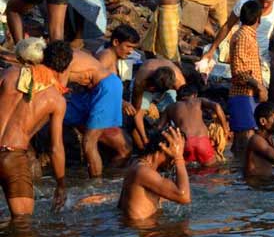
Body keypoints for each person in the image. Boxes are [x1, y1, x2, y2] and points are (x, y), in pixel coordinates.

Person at [0, 39, 71, 216]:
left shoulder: (9, 74)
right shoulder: (56, 99)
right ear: (65, 68)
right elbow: (55, 148)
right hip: (12, 158)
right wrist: (61, 184)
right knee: (23, 225)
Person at [201, 0, 274, 87]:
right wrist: (212, 49)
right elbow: (228, 26)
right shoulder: (244, 4)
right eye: (262, 1)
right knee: (207, 54)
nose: (265, 5)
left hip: (260, 56)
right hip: (238, 49)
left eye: (268, 2)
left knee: (261, 83)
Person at [63, 47, 132, 177]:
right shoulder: (98, 55)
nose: (130, 51)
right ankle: (101, 179)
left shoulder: (103, 56)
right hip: (91, 96)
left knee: (89, 142)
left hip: (101, 93)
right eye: (129, 47)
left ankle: (96, 184)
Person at [117, 127, 191, 221]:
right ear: (163, 148)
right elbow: (184, 197)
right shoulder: (143, 172)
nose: (173, 161)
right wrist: (179, 158)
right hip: (144, 230)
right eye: (178, 150)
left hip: (137, 229)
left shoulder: (137, 164)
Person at [228, 0, 268, 152]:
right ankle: (241, 173)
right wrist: (259, 87)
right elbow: (239, 71)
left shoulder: (246, 35)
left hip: (248, 95)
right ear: (259, 18)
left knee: (245, 138)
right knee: (246, 138)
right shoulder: (244, 36)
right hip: (243, 95)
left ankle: (239, 171)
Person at [160, 84, 229, 166]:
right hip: (202, 140)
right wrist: (225, 129)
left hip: (185, 143)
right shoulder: (198, 100)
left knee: (188, 172)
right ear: (194, 95)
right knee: (212, 168)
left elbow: (159, 128)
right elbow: (217, 106)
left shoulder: (170, 107)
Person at [244, 101, 274, 178]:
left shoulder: (268, 138)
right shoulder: (256, 140)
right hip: (256, 186)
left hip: (263, 183)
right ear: (263, 121)